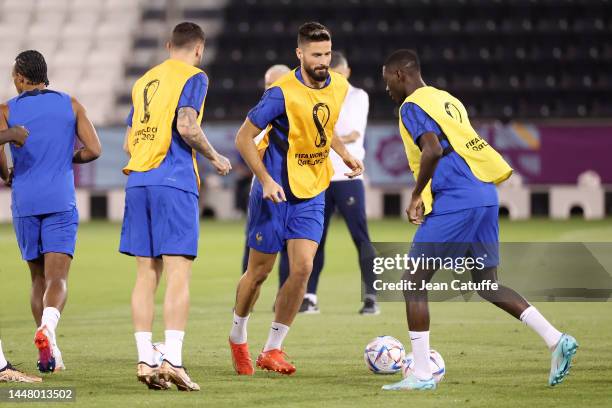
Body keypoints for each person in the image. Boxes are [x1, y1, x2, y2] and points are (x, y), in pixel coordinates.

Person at [380, 49, 577, 391]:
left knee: (413, 280)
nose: (387, 90)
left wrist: (415, 195)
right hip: (484, 194)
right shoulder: (445, 99)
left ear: (400, 75)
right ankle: (555, 339)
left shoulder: (411, 106)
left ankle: (422, 374)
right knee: (486, 283)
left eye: (387, 82)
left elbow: (433, 149)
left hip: (457, 197)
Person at [229, 21, 364, 376]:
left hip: (313, 189)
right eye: (316, 54)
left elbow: (325, 125)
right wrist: (265, 179)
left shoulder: (339, 86)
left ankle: (272, 349)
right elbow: (244, 138)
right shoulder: (280, 92)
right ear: (300, 54)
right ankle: (238, 335)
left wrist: (344, 153)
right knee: (259, 272)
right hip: (275, 192)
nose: (323, 61)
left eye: (327, 54)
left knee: (302, 268)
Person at [120, 22, 231, 391]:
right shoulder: (194, 76)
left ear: (169, 45)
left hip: (138, 180)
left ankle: (145, 359)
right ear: (198, 49)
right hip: (173, 180)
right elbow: (186, 125)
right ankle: (173, 359)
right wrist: (214, 156)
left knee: (144, 275)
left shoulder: (143, 82)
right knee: (178, 273)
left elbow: (127, 143)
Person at [0, 50, 101, 374]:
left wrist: (5, 173)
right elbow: (94, 149)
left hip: (26, 202)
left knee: (37, 278)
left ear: (19, 77)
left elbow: (0, 152)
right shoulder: (70, 104)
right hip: (60, 199)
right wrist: (65, 158)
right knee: (58, 278)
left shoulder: (7, 110)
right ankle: (49, 332)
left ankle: (51, 350)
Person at [277, 51, 378, 315]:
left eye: (339, 73)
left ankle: (371, 296)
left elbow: (353, 131)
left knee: (360, 236)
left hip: (347, 176)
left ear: (347, 72)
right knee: (315, 239)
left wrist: (318, 133)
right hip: (320, 175)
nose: (336, 78)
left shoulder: (357, 96)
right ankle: (310, 296)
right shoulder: (320, 95)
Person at [240, 64, 291, 274]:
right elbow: (246, 144)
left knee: (292, 250)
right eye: (268, 84)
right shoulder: (258, 117)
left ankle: (284, 300)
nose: (270, 89)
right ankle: (244, 302)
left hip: (295, 189)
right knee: (253, 247)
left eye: (275, 84)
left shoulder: (295, 115)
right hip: (263, 190)